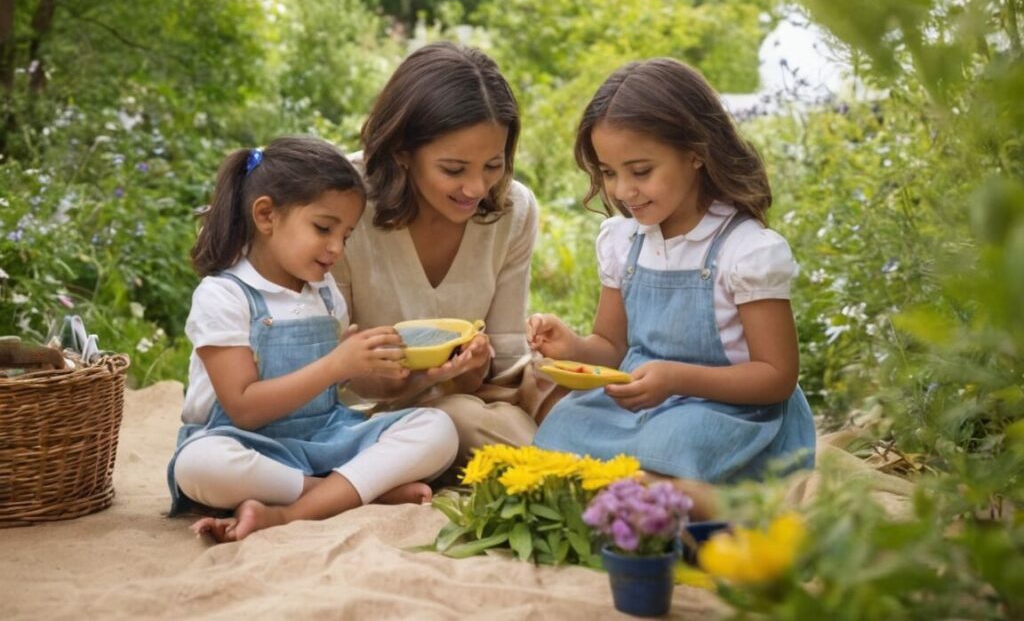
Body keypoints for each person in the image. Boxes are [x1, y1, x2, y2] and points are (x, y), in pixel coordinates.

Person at [530, 58, 815, 515]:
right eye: (607, 172)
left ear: (696, 152)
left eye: (641, 171)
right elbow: (611, 346)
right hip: (649, 405)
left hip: (727, 411)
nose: (623, 190)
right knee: (565, 422)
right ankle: (647, 492)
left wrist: (677, 379)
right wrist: (574, 347)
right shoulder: (625, 242)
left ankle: (694, 500)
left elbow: (777, 377)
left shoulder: (745, 251)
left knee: (678, 439)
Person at [167, 136, 458, 542]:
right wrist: (337, 363)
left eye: (347, 235)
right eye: (323, 228)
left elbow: (347, 385)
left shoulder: (323, 292)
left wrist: (419, 376)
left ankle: (292, 510)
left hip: (324, 437)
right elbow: (244, 408)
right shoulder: (225, 295)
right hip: (247, 443)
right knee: (198, 465)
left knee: (438, 427)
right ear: (267, 216)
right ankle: (345, 492)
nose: (337, 247)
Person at [333, 42, 555, 470]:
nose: (476, 188)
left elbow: (507, 359)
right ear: (402, 151)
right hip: (364, 416)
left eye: (492, 165)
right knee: (460, 419)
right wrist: (408, 380)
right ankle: (582, 480)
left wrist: (474, 367)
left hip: (470, 399)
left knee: (561, 386)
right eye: (454, 169)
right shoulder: (342, 205)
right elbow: (330, 369)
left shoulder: (513, 209)